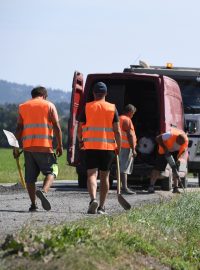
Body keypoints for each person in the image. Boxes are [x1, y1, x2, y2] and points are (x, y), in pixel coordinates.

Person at [13, 86, 63, 211]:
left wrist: (15, 147)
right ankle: (44, 191)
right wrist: (60, 145)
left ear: (33, 95)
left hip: (28, 147)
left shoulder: (23, 106)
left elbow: (19, 129)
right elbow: (56, 126)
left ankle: (33, 205)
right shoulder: (49, 105)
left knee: (30, 178)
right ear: (44, 96)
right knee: (52, 171)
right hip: (45, 146)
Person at [77, 82, 121, 214]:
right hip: (107, 147)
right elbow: (117, 130)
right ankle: (101, 207)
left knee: (91, 174)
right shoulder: (112, 108)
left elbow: (79, 128)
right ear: (106, 94)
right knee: (105, 177)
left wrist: (81, 141)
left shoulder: (87, 107)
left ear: (94, 93)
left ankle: (93, 200)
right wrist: (118, 146)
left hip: (90, 146)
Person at [148, 127, 188, 194]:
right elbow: (157, 138)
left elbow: (183, 151)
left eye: (181, 143)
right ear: (177, 138)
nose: (180, 144)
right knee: (157, 168)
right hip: (163, 151)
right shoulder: (170, 135)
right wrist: (164, 148)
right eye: (179, 143)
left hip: (175, 152)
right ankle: (151, 186)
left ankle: (175, 188)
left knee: (175, 169)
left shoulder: (185, 141)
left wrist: (179, 159)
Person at [119, 104, 137, 194]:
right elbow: (129, 135)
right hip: (126, 147)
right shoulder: (126, 120)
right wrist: (133, 149)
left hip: (119, 146)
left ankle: (121, 186)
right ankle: (124, 188)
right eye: (133, 113)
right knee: (124, 168)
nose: (133, 115)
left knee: (120, 167)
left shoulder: (119, 118)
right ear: (130, 112)